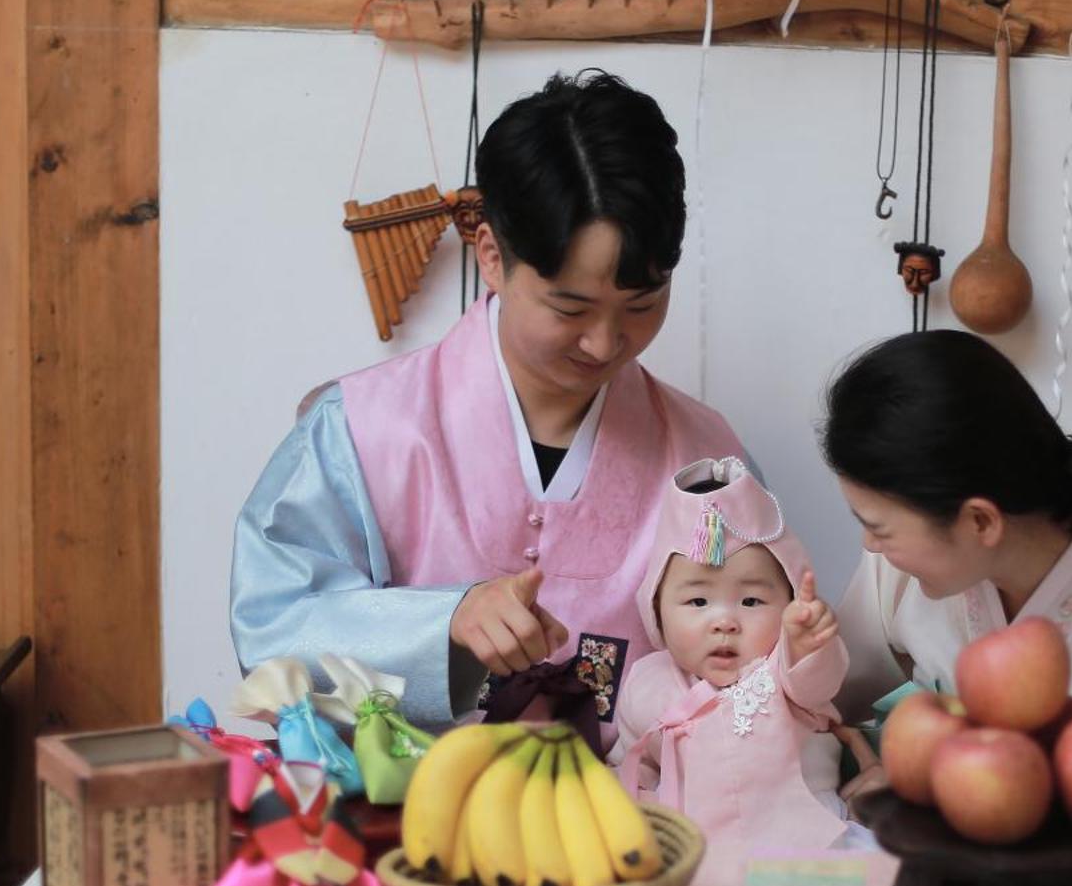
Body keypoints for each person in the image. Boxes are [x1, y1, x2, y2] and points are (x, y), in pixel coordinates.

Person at [230, 72, 746, 732]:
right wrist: (441, 623)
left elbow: (763, 660)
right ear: (492, 257)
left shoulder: (706, 457)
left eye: (641, 305)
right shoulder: (362, 429)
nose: (605, 341)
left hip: (641, 823)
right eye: (571, 306)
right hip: (408, 818)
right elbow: (272, 633)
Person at [822, 331, 1072, 858]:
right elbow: (821, 701)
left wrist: (925, 812)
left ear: (980, 520)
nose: (869, 545)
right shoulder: (902, 568)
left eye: (878, 527)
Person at [615, 458, 876, 851]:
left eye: (751, 600)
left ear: (787, 602)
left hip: (807, 845)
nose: (724, 621)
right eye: (698, 601)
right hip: (693, 851)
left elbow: (819, 679)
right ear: (656, 609)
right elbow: (633, 766)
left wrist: (806, 643)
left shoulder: (783, 672)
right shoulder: (647, 681)